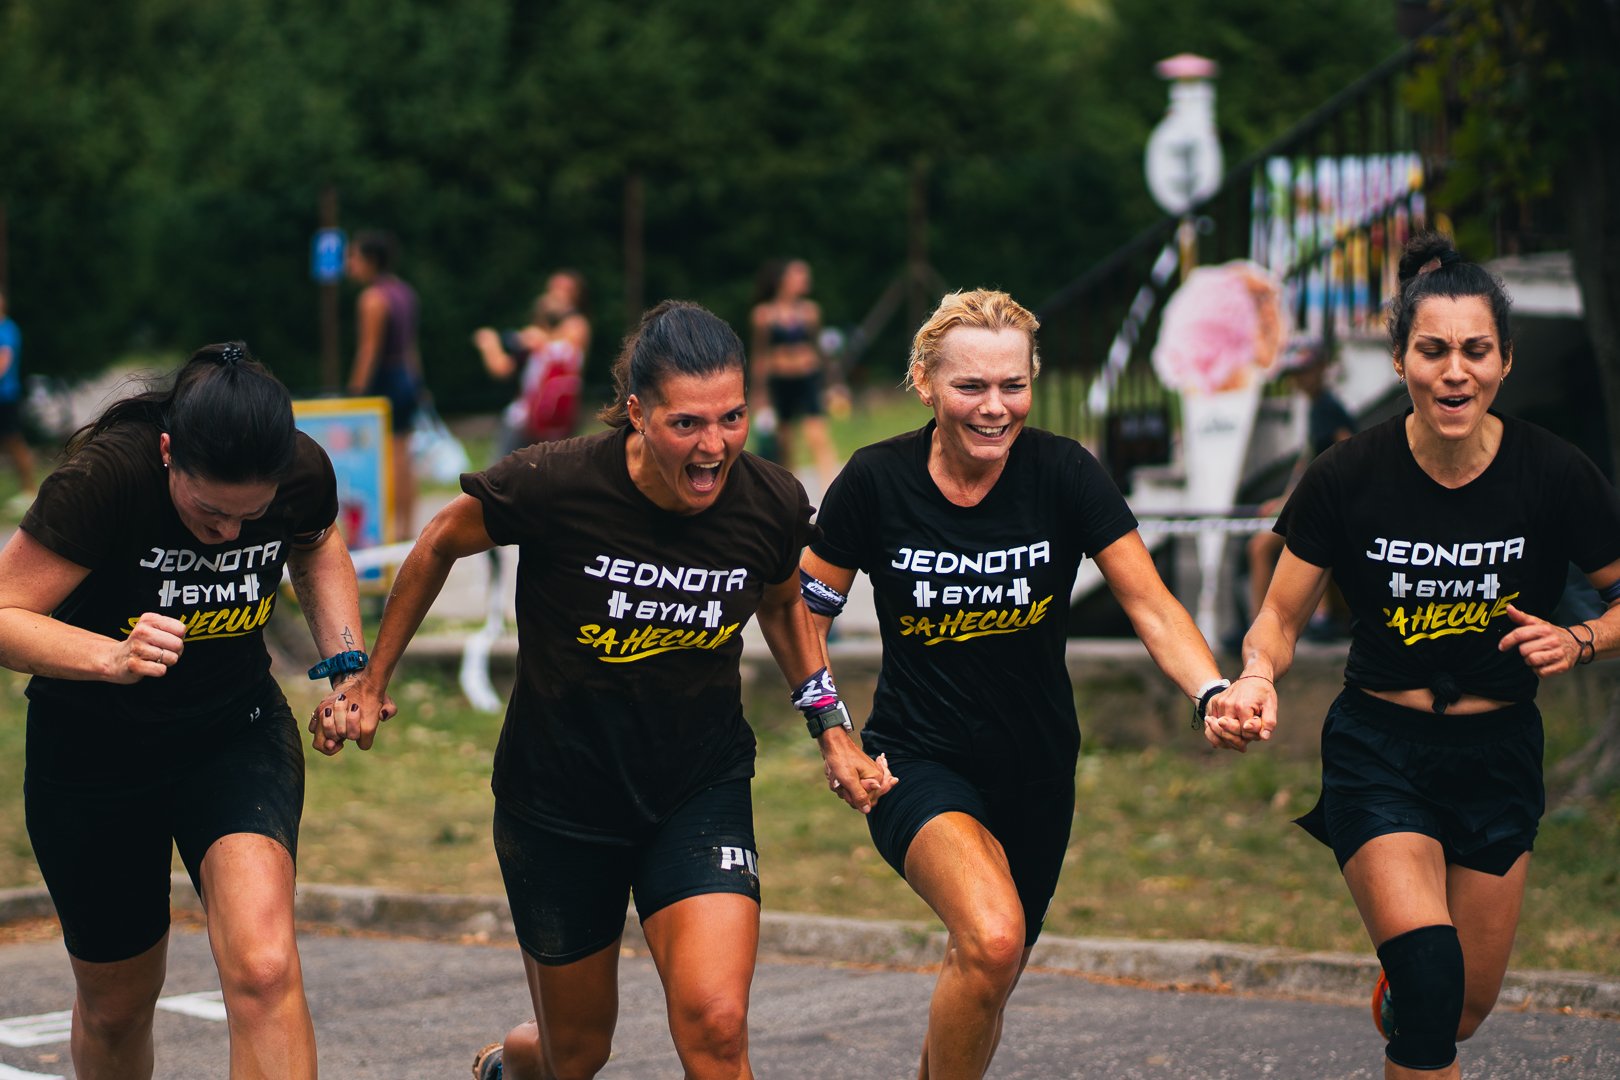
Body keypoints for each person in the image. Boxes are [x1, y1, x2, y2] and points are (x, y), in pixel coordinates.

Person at [309, 300, 894, 1080]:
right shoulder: (554, 483)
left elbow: (784, 604)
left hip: (697, 785)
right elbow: (441, 539)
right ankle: (507, 1068)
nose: (713, 447)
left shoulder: (770, 501)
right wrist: (372, 678)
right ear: (636, 414)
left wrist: (833, 730)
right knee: (575, 1054)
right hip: (558, 801)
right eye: (686, 423)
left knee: (718, 1028)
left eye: (732, 418)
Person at [799, 289, 1236, 1080]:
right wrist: (833, 732)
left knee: (989, 972)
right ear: (926, 382)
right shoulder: (875, 483)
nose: (996, 408)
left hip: (1036, 769)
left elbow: (1150, 602)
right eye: (971, 387)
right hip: (916, 760)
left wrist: (1212, 691)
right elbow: (804, 616)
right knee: (994, 937)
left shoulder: (1063, 473)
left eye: (1013, 386)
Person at [1213, 233, 1620, 1080]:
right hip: (1379, 751)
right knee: (1436, 989)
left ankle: (1408, 998)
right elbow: (1279, 618)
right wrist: (1256, 674)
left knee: (1465, 1006)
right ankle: (1416, 994)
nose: (1455, 372)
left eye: (1476, 351)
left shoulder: (1555, 474)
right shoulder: (1347, 474)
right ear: (1399, 359)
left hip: (1500, 751)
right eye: (1432, 350)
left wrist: (1580, 639)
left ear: (1505, 361)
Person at [0, 342, 376, 1079]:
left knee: (266, 969)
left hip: (231, 735)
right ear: (169, 453)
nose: (228, 535)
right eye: (208, 512)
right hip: (93, 754)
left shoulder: (298, 467)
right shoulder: (105, 479)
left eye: (249, 516)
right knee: (116, 1007)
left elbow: (318, 541)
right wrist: (110, 657)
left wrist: (345, 667)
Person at [1246, 341, 1356, 630]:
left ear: (1320, 369)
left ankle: (1263, 623)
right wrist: (1283, 500)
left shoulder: (1327, 407)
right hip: (1316, 502)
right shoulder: (1318, 407)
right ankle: (1287, 619)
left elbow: (1346, 450)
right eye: (1295, 373)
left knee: (1260, 548)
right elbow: (1307, 463)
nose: (1298, 379)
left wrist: (1299, 500)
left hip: (1325, 505)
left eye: (1303, 371)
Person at [345, 229, 422, 541]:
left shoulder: (372, 298)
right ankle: (406, 530)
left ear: (370, 260)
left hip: (385, 381)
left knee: (387, 457)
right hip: (407, 377)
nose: (349, 264)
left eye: (354, 256)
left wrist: (354, 394)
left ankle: (385, 533)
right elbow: (411, 346)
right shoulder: (404, 291)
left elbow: (369, 350)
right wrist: (418, 382)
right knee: (404, 455)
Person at [474, 269, 592, 460]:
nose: (556, 295)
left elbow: (568, 344)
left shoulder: (577, 325)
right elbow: (502, 369)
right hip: (529, 416)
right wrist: (490, 345)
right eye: (553, 289)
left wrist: (538, 339)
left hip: (556, 416)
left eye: (564, 290)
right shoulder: (536, 334)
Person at [750, 258, 839, 487]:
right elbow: (761, 355)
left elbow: (819, 349)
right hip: (780, 381)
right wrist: (759, 393)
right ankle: (792, 490)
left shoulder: (810, 312)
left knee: (817, 434)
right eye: (799, 275)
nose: (805, 280)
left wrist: (831, 383)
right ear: (783, 280)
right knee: (785, 441)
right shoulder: (763, 315)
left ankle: (831, 487)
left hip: (807, 379)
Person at [0, 286, 38, 510]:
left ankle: (29, 490)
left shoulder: (7, 330)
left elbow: (3, 362)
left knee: (14, 442)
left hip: (5, 397)